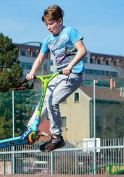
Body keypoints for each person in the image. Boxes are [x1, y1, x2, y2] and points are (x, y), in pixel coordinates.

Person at [26, 5, 87, 152]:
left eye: (51, 23)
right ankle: (30, 129)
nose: (48, 27)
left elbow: (82, 50)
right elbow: (40, 58)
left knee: (53, 101)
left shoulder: (69, 32)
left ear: (59, 21)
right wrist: (32, 72)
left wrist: (70, 66)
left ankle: (57, 137)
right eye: (46, 24)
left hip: (73, 74)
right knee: (44, 100)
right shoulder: (48, 40)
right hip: (58, 76)